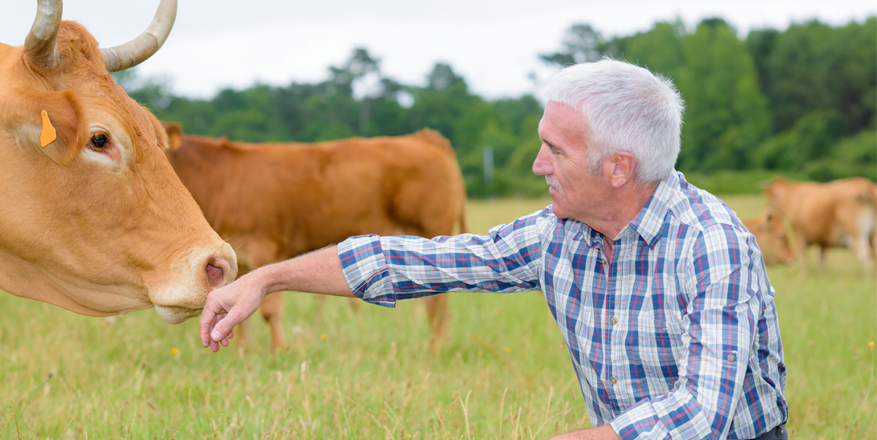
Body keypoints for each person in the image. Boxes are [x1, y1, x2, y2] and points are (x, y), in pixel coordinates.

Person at [199, 59, 789, 440]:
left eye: (554, 151)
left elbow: (701, 415)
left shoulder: (713, 245)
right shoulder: (559, 233)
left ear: (618, 168)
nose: (537, 166)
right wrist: (267, 278)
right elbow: (411, 261)